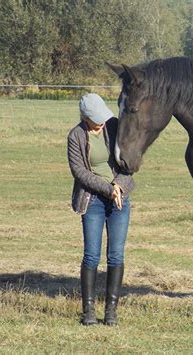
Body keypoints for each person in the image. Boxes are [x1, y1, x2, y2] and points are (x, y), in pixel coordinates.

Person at [67, 93, 134, 326]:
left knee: (116, 254)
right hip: (92, 200)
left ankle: (111, 311)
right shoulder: (76, 136)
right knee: (91, 255)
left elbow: (129, 163)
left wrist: (119, 186)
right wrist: (108, 189)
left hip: (119, 200)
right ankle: (88, 311)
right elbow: (81, 173)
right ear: (85, 117)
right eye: (96, 119)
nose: (102, 122)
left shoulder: (114, 126)